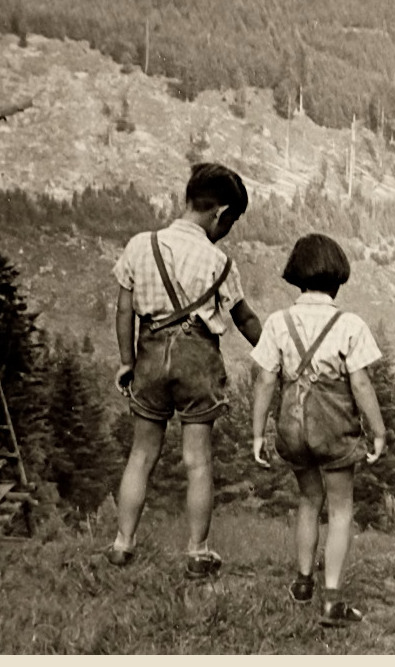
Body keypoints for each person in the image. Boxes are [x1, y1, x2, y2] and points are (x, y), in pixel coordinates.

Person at [106, 163, 262, 578]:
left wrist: (127, 361)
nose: (228, 229)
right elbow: (245, 319)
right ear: (219, 213)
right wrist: (271, 353)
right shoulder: (220, 262)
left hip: (150, 356)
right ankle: (197, 551)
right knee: (198, 461)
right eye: (231, 222)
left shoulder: (141, 245)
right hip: (198, 360)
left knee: (140, 455)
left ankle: (123, 543)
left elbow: (124, 310)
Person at [250, 233, 387, 627]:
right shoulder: (350, 324)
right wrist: (378, 430)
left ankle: (303, 582)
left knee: (309, 499)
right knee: (341, 510)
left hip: (293, 425)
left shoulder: (277, 322)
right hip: (334, 428)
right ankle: (332, 602)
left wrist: (258, 433)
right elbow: (360, 384)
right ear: (338, 277)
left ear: (297, 275)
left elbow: (264, 380)